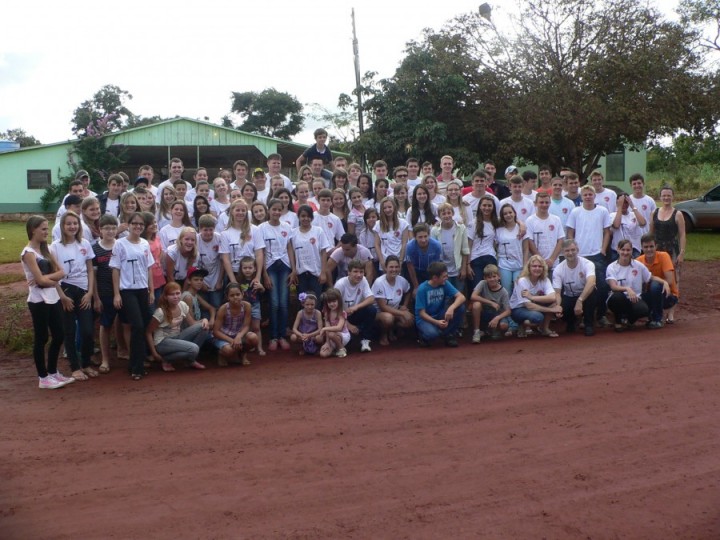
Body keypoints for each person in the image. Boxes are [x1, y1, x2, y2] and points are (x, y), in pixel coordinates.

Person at [22, 216, 75, 389]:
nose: (47, 232)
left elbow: (62, 272)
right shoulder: (28, 253)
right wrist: (46, 279)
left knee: (59, 334)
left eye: (47, 228)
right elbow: (42, 280)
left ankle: (53, 372)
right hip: (38, 300)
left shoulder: (47, 250)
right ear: (33, 230)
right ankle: (43, 377)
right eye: (43, 229)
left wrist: (45, 278)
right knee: (42, 337)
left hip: (53, 298)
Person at [50, 211, 97, 381]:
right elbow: (53, 274)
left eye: (75, 223)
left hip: (84, 291)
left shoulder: (84, 243)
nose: (72, 227)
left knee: (87, 331)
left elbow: (90, 269)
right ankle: (75, 367)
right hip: (66, 291)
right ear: (62, 226)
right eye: (68, 224)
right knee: (69, 331)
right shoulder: (55, 247)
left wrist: (90, 292)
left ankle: (86, 363)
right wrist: (62, 296)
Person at [110, 212, 155, 380]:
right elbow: (115, 269)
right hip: (127, 290)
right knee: (135, 325)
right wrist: (116, 294)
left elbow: (149, 267)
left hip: (142, 289)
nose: (137, 227)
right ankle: (136, 366)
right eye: (134, 223)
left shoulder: (144, 243)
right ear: (128, 225)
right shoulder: (120, 244)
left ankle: (137, 363)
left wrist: (150, 289)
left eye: (141, 224)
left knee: (142, 325)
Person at [566, 185, 612, 327]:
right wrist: (572, 250)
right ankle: (583, 316)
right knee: (581, 287)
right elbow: (570, 233)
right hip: (580, 256)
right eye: (585, 194)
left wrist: (603, 249)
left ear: (594, 196)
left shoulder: (602, 211)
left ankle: (601, 315)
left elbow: (607, 232)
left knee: (602, 287)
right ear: (582, 196)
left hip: (597, 255)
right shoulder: (575, 212)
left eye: (590, 194)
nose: (587, 196)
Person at [146, 282, 209, 372]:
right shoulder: (160, 312)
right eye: (172, 294)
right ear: (165, 296)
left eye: (177, 293)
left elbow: (192, 323)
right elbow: (148, 332)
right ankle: (166, 359)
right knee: (193, 348)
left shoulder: (182, 305)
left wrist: (204, 320)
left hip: (177, 337)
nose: (176, 297)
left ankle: (190, 360)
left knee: (204, 327)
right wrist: (154, 353)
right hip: (162, 342)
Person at [259, 198, 295, 351]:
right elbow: (261, 251)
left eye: (279, 209)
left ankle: (281, 335)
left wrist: (294, 269)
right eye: (274, 209)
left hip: (285, 267)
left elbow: (289, 248)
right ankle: (273, 336)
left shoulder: (287, 227)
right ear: (269, 210)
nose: (276, 212)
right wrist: (264, 275)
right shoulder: (261, 228)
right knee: (274, 303)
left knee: (283, 303)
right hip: (270, 267)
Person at [606, 239, 664, 330]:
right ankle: (618, 320)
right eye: (623, 250)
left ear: (632, 251)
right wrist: (627, 289)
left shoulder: (638, 265)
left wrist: (665, 283)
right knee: (617, 298)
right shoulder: (611, 267)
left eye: (628, 250)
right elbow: (613, 286)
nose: (625, 252)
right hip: (619, 297)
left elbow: (650, 277)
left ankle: (629, 320)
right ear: (618, 250)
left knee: (643, 309)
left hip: (635, 298)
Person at [92, 214, 121, 374]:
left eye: (113, 228)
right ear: (100, 230)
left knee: (126, 324)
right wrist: (96, 297)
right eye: (106, 228)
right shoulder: (95, 248)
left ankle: (124, 352)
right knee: (105, 324)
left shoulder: (121, 245)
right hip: (104, 293)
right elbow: (93, 276)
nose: (110, 231)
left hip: (123, 291)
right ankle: (105, 358)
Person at [414, 261, 466, 348]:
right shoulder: (422, 289)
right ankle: (423, 336)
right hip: (425, 319)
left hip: (439, 314)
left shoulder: (445, 284)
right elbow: (421, 313)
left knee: (460, 307)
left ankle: (449, 335)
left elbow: (461, 297)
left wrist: (451, 308)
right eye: (444, 276)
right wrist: (436, 322)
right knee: (433, 335)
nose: (447, 278)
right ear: (435, 278)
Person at [509, 255, 563, 337]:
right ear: (529, 268)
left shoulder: (545, 280)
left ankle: (544, 329)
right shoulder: (522, 281)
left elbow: (552, 297)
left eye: (540, 266)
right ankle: (522, 325)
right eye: (534, 266)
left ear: (543, 268)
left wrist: (532, 297)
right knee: (538, 317)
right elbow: (528, 305)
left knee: (555, 303)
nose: (537, 268)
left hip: (534, 305)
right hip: (518, 309)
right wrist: (552, 310)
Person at [552, 239, 597, 336]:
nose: (570, 253)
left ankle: (588, 324)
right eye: (567, 251)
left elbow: (591, 282)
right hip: (569, 296)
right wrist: (558, 306)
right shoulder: (558, 269)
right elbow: (557, 292)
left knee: (592, 293)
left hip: (585, 295)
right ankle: (571, 322)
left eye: (573, 250)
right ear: (562, 252)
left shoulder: (588, 264)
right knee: (562, 309)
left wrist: (580, 300)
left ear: (577, 250)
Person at [334, 259, 377, 353]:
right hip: (340, 317)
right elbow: (334, 309)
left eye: (361, 272)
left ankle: (365, 340)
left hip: (354, 313)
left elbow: (371, 298)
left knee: (371, 310)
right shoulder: (340, 284)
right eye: (355, 271)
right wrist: (348, 325)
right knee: (349, 343)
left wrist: (356, 307)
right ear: (348, 272)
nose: (359, 275)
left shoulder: (363, 280)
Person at [289, 205, 330, 300]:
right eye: (303, 216)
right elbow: (292, 253)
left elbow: (324, 252)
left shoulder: (318, 231)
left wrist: (323, 272)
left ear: (312, 217)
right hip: (301, 274)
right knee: (302, 301)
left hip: (316, 273)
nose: (305, 219)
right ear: (298, 217)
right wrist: (294, 270)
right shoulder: (293, 233)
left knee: (316, 301)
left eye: (308, 216)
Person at [212, 283, 259, 366]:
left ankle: (243, 355)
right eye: (232, 295)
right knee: (229, 350)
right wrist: (232, 341)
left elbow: (246, 326)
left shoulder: (247, 306)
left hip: (238, 334)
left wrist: (239, 336)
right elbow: (216, 331)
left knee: (253, 338)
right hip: (224, 337)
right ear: (227, 297)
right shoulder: (223, 309)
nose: (235, 297)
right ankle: (221, 354)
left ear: (242, 294)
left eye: (238, 294)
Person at [637, 234, 679, 325]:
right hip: (648, 293)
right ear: (641, 248)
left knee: (655, 285)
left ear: (656, 246)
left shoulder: (664, 256)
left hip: (668, 296)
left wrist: (654, 281)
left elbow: (670, 281)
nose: (649, 249)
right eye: (646, 247)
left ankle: (657, 319)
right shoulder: (638, 261)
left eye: (651, 246)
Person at [220, 199, 264, 285]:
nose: (240, 213)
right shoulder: (225, 233)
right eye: (237, 210)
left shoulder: (255, 230)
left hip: (252, 274)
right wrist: (233, 280)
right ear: (232, 212)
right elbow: (226, 259)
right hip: (234, 273)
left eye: (243, 210)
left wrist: (258, 276)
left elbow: (259, 254)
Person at [371, 255, 413, 346]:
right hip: (379, 313)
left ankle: (392, 329)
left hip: (395, 310)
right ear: (385, 268)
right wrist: (402, 313)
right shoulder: (379, 282)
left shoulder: (401, 280)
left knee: (409, 319)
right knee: (388, 318)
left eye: (396, 267)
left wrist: (404, 306)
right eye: (391, 267)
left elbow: (408, 291)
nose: (394, 269)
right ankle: (383, 335)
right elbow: (383, 307)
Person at [431, 203, 469, 291]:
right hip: (442, 271)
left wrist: (463, 269)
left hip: (458, 269)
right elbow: (434, 252)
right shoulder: (435, 230)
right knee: (446, 297)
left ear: (453, 213)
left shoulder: (461, 228)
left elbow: (465, 250)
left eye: (449, 213)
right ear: (439, 216)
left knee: (459, 294)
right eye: (443, 214)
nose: (447, 216)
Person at [470, 263, 511, 343]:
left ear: (499, 277)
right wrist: (490, 303)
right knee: (476, 304)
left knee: (504, 326)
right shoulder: (482, 283)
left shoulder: (504, 292)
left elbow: (508, 310)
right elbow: (473, 296)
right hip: (484, 312)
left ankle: (491, 331)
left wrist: (497, 318)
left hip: (496, 314)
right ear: (485, 278)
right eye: (489, 277)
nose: (492, 279)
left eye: (494, 276)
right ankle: (477, 332)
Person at [650, 185, 686, 273]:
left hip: (672, 249)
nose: (666, 198)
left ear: (673, 197)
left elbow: (682, 235)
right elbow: (651, 233)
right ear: (660, 197)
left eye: (669, 195)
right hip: (657, 248)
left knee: (673, 275)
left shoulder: (678, 214)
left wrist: (681, 253)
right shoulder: (654, 212)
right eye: (664, 195)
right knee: (657, 273)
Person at [525, 191, 564, 272]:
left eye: (546, 202)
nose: (544, 205)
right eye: (541, 202)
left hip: (554, 264)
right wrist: (540, 260)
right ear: (535, 203)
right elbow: (530, 241)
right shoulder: (530, 221)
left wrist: (552, 259)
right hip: (536, 266)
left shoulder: (556, 219)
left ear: (550, 203)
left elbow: (560, 240)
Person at [467, 195, 500, 289]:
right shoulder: (473, 223)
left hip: (490, 258)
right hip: (475, 259)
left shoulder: (496, 223)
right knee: (477, 288)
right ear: (480, 207)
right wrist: (467, 265)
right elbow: (468, 245)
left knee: (492, 288)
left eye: (489, 206)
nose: (487, 208)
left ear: (493, 207)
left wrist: (520, 223)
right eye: (484, 205)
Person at [238, 256, 266, 356]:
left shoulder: (257, 280)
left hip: (255, 305)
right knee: (246, 327)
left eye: (250, 268)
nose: (247, 270)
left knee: (256, 328)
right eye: (245, 268)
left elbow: (263, 294)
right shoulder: (239, 281)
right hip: (243, 307)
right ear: (241, 269)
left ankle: (259, 347)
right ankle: (250, 346)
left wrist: (261, 287)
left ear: (254, 269)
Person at [374, 197, 410, 273]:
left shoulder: (403, 223)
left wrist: (400, 261)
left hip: (400, 260)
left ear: (394, 207)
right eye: (385, 208)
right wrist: (382, 262)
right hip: (385, 261)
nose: (387, 210)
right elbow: (377, 245)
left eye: (390, 207)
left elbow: (404, 243)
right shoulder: (378, 224)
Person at [405, 223, 442, 294]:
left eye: (425, 236)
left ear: (429, 235)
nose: (423, 240)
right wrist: (416, 286)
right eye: (420, 237)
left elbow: (436, 266)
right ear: (415, 237)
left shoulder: (436, 245)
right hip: (416, 272)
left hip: (430, 271)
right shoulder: (410, 247)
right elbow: (410, 267)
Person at [609, 193, 646, 260]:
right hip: (617, 250)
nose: (624, 205)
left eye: (626, 202)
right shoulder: (612, 215)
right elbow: (616, 225)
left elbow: (643, 223)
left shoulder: (633, 215)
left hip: (634, 250)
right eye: (622, 202)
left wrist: (632, 206)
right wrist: (619, 206)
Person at [318, 288, 351, 358]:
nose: (332, 304)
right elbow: (328, 330)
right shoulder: (327, 313)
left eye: (334, 301)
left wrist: (324, 328)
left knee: (331, 334)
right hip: (331, 337)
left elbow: (339, 328)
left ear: (339, 301)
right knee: (323, 354)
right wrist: (327, 342)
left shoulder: (342, 313)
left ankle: (341, 348)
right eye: (329, 302)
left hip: (343, 335)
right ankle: (335, 350)